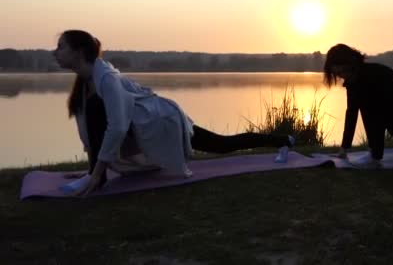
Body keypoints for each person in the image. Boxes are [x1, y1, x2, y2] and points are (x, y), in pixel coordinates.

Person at [53, 30, 294, 196]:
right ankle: (97, 176)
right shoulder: (86, 82)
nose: (56, 52)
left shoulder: (106, 78)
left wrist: (95, 175)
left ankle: (283, 141)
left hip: (162, 123)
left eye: (61, 46)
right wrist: (92, 169)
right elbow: (91, 130)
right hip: (143, 127)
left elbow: (115, 127)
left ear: (79, 51)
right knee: (221, 143)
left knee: (222, 144)